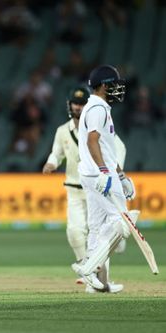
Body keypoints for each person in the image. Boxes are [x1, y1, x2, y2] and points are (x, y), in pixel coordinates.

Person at [42, 85, 127, 293]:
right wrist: (51, 163)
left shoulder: (94, 123)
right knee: (75, 231)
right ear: (69, 105)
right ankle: (86, 267)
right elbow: (56, 153)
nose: (78, 107)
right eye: (75, 103)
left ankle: (101, 281)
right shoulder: (63, 130)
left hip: (98, 186)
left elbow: (118, 148)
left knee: (101, 233)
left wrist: (116, 175)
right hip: (74, 187)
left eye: (81, 103)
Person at [72, 65, 136, 292]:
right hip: (99, 175)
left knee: (97, 227)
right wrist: (105, 171)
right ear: (102, 86)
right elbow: (92, 141)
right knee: (123, 223)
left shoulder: (98, 107)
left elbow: (107, 148)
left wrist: (120, 173)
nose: (117, 89)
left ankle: (96, 282)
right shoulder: (98, 108)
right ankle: (88, 266)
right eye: (113, 84)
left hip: (95, 173)